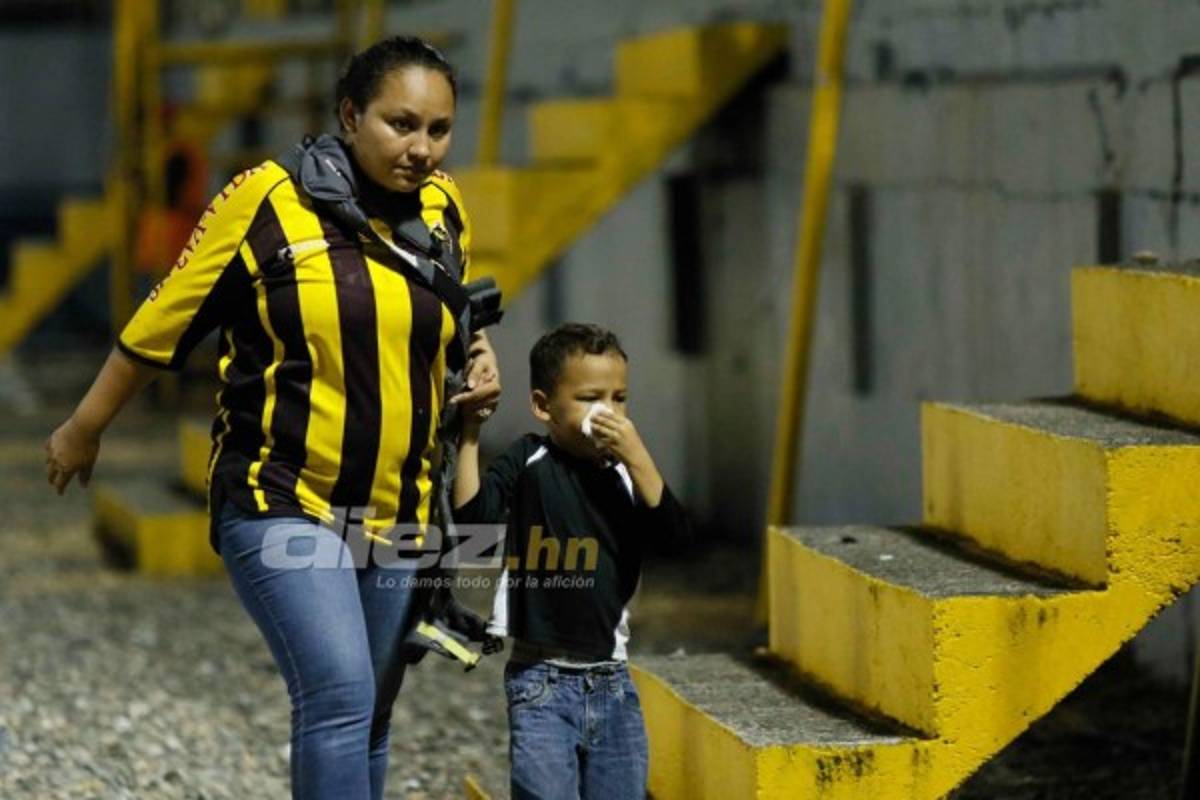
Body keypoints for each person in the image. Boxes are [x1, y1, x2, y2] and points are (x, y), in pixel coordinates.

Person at [44, 35, 500, 800]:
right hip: (280, 493)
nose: (421, 148)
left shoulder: (445, 208)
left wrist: (476, 363)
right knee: (339, 696)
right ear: (350, 115)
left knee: (375, 714)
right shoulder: (266, 198)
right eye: (401, 123)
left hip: (397, 507)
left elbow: (446, 321)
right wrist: (84, 426)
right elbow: (166, 320)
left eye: (438, 128)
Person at [453, 323, 691, 800]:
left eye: (619, 398)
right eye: (589, 397)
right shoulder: (529, 460)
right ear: (543, 406)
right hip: (540, 679)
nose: (607, 411)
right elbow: (471, 525)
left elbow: (675, 540)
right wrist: (471, 435)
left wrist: (638, 455)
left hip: (613, 678)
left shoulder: (627, 474)